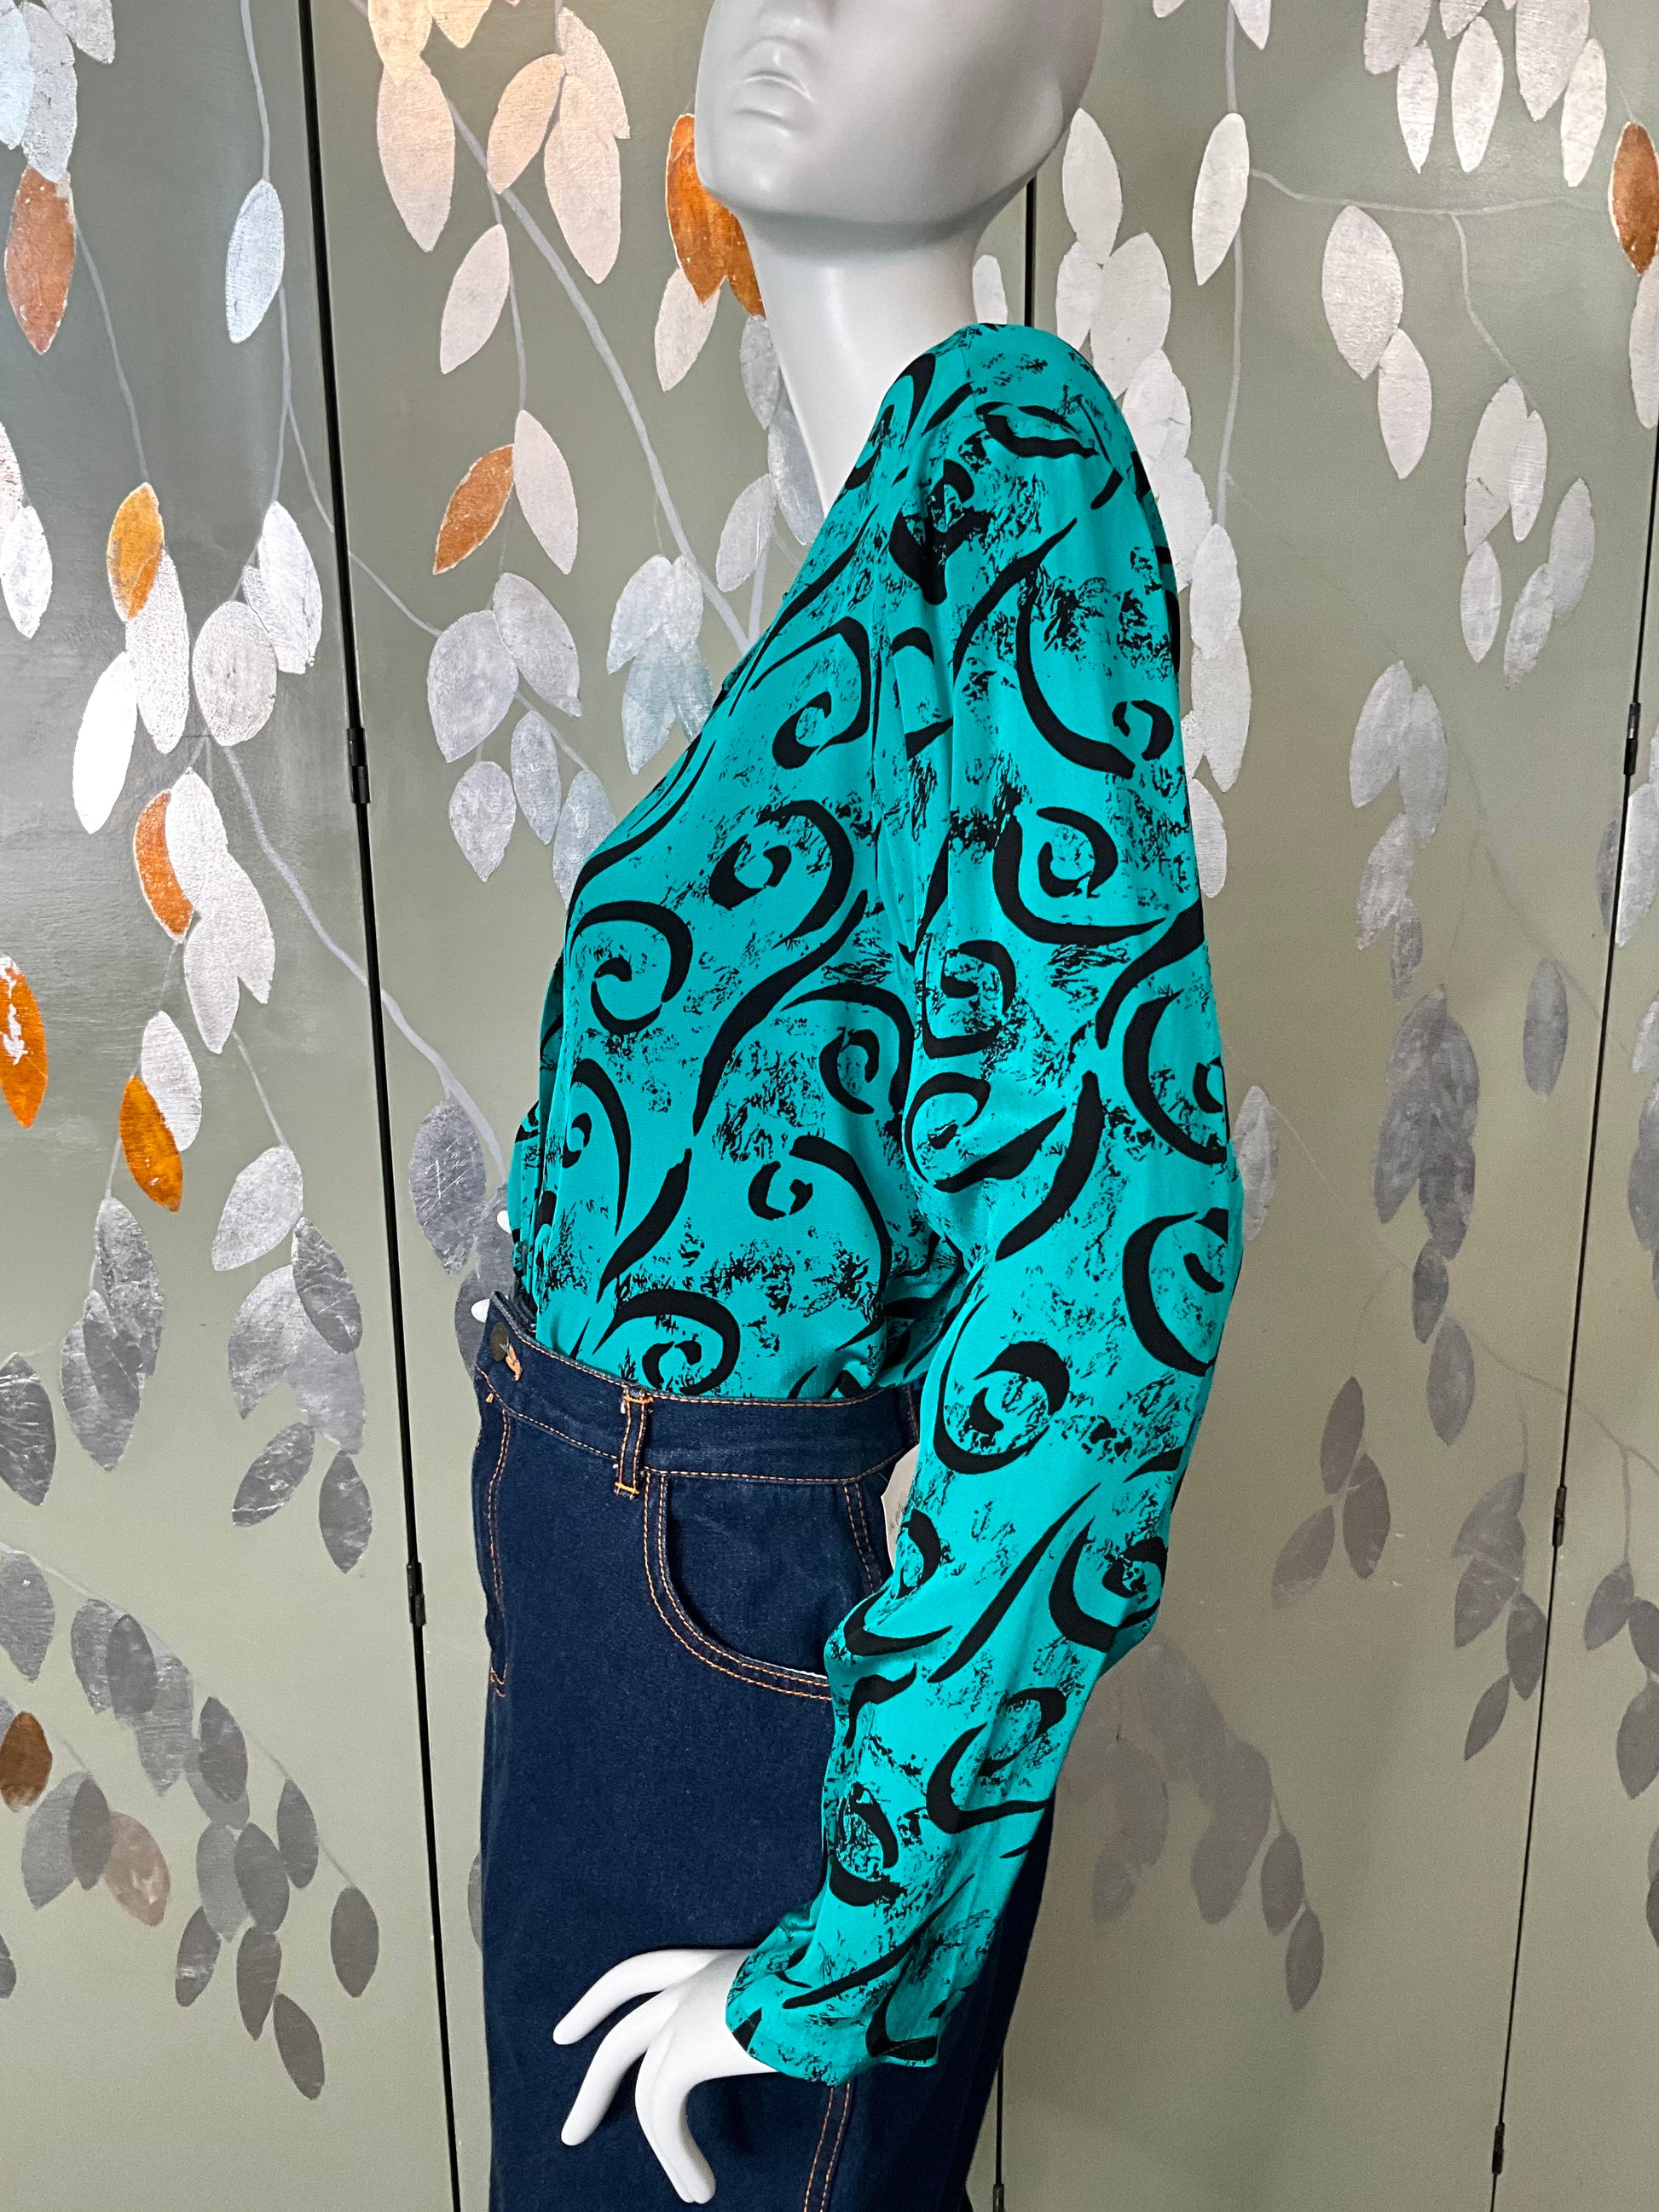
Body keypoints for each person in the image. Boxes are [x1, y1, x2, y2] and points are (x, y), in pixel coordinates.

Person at [471, 1, 1244, 2203]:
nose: (792, 6)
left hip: (715, 1597)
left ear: (1042, 70)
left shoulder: (1012, 456)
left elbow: (1119, 1243)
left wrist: (846, 1935)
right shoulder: (892, 516)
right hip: (630, 1574)